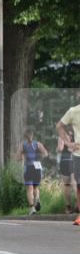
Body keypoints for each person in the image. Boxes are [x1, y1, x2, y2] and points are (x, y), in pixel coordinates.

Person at [56, 90, 80, 225]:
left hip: (72, 157)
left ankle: (70, 207)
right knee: (76, 184)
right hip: (74, 156)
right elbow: (59, 127)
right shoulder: (73, 111)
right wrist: (68, 143)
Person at [17, 129, 49, 216]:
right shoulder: (37, 144)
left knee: (29, 189)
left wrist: (23, 157)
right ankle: (37, 199)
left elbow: (17, 158)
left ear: (25, 137)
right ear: (32, 135)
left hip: (28, 168)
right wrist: (40, 156)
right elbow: (45, 153)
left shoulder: (23, 145)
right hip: (37, 167)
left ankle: (32, 208)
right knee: (36, 187)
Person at [57, 129, 77, 215]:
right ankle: (78, 203)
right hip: (75, 159)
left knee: (67, 184)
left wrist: (57, 149)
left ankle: (68, 207)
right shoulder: (77, 134)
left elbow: (60, 149)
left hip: (65, 160)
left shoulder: (62, 136)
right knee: (75, 182)